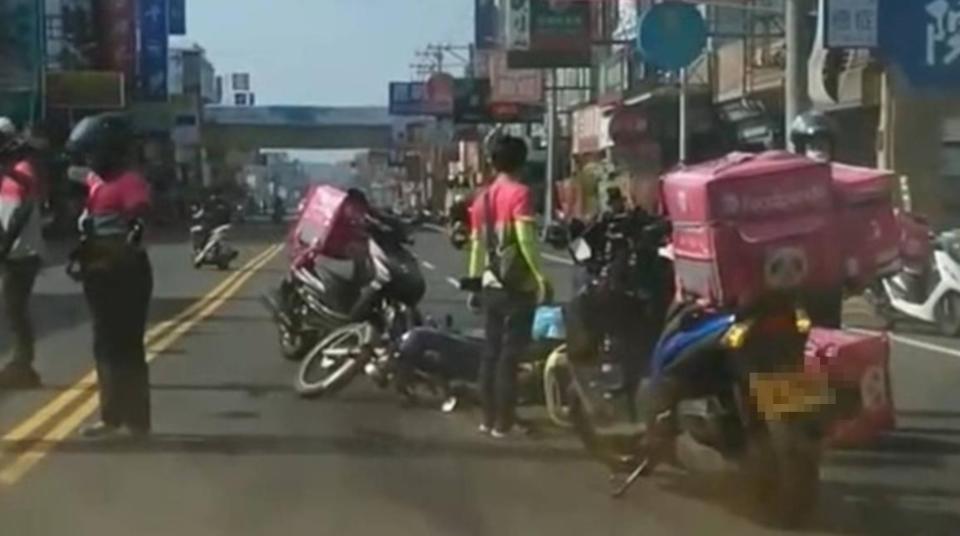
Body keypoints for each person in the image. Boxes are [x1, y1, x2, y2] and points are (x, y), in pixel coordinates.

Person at [65, 113, 153, 439]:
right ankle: (113, 417)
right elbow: (78, 176)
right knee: (105, 346)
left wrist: (126, 241)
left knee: (125, 346)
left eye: (92, 152)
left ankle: (136, 422)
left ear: (110, 151)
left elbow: (139, 218)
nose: (87, 159)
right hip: (99, 272)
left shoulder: (128, 182)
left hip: (123, 272)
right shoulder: (99, 183)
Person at [467, 135, 552, 439]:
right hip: (518, 286)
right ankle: (505, 420)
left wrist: (475, 282)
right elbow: (526, 241)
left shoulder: (481, 200)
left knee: (490, 352)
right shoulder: (520, 194)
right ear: (522, 162)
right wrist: (540, 277)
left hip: (491, 284)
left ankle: (487, 418)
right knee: (510, 354)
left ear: (492, 162)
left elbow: (476, 247)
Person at [0, 117, 46, 388]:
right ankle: (21, 364)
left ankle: (23, 365)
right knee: (12, 308)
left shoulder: (23, 169)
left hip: (23, 251)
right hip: (9, 251)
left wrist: (5, 244)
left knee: (15, 307)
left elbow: (24, 208)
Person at [790, 110, 844, 328]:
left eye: (824, 145)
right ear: (802, 148)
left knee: (828, 335)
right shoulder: (789, 181)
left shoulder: (839, 181)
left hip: (830, 274)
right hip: (796, 272)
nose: (819, 151)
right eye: (813, 146)